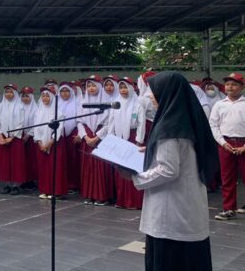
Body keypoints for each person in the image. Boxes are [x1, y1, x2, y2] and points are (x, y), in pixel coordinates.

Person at [118, 71, 218, 271]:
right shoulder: (186, 119)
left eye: (155, 92)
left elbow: (168, 169)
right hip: (188, 203)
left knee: (169, 260)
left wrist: (136, 177)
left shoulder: (169, 128)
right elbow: (183, 154)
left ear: (167, 93)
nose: (151, 96)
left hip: (171, 209)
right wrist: (152, 149)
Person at [98, 77, 145, 209]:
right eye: (121, 88)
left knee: (132, 170)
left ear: (131, 88)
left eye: (125, 87)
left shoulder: (137, 104)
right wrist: (110, 139)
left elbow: (141, 124)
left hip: (133, 139)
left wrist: (139, 140)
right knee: (121, 171)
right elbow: (111, 122)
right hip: (119, 140)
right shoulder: (116, 104)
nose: (123, 90)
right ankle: (122, 200)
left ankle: (135, 202)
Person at [208, 72, 245, 220]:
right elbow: (213, 125)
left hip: (243, 143)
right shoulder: (219, 104)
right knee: (227, 177)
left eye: (234, 84)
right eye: (228, 84)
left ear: (242, 87)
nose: (230, 87)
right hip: (226, 143)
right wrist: (223, 143)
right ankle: (229, 208)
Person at [79, 75, 114, 206]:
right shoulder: (83, 102)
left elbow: (109, 123)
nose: (91, 88)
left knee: (101, 167)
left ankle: (102, 196)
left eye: (94, 85)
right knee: (88, 167)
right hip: (87, 138)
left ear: (99, 86)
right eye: (89, 86)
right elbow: (79, 122)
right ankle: (89, 195)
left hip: (101, 138)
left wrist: (97, 137)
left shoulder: (107, 102)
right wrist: (85, 137)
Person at [34, 87, 67, 199]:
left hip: (55, 143)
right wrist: (39, 142)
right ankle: (45, 190)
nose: (45, 98)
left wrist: (50, 142)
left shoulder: (58, 112)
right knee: (44, 167)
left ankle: (56, 191)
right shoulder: (38, 111)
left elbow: (59, 128)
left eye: (47, 96)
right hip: (41, 144)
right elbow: (36, 128)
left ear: (52, 98)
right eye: (43, 96)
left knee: (55, 167)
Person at [0, 84, 26, 195]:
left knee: (16, 162)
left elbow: (21, 123)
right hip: (3, 137)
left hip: (15, 138)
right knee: (5, 162)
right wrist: (0, 135)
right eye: (6, 92)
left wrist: (11, 138)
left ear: (15, 93)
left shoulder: (20, 106)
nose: (8, 94)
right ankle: (7, 184)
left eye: (10, 92)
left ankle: (16, 185)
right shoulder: (0, 106)